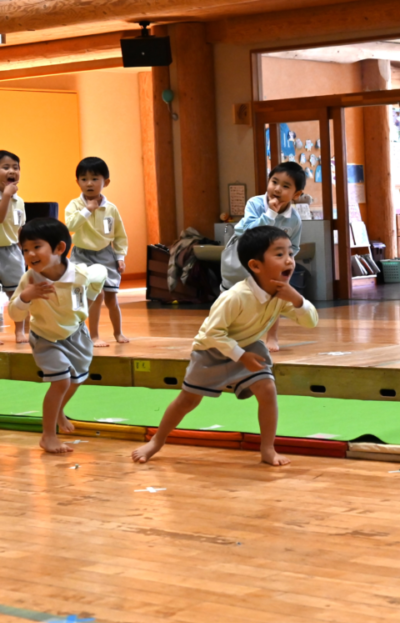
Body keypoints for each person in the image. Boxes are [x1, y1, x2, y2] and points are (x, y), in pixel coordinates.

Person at [133, 226, 318, 466]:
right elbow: (212, 334)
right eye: (279, 254)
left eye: (290, 254)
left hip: (248, 347)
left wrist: (297, 299)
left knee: (267, 390)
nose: (289, 261)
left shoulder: (282, 295)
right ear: (255, 265)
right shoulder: (235, 296)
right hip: (211, 350)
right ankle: (156, 441)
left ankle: (267, 449)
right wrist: (240, 356)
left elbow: (311, 322)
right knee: (188, 400)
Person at [8, 218, 106, 454]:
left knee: (75, 381)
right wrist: (26, 297)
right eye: (25, 250)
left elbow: (101, 272)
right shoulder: (30, 279)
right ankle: (48, 435)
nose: (30, 254)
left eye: (36, 247)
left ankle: (59, 411)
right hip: (45, 338)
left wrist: (90, 298)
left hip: (76, 334)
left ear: (59, 248)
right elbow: (13, 312)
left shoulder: (80, 273)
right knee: (61, 380)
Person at [221, 161, 305, 353]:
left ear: (296, 194)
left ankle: (271, 336)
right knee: (231, 296)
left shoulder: (294, 219)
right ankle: (226, 333)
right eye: (274, 182)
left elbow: (295, 245)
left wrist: (286, 261)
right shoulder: (256, 204)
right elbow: (245, 230)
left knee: (274, 297)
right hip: (240, 260)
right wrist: (270, 214)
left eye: (285, 186)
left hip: (269, 266)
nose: (277, 189)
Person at [65, 157, 129, 347]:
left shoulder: (111, 208)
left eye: (94, 178)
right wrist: (87, 210)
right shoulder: (75, 205)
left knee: (111, 298)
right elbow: (70, 226)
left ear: (105, 182)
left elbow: (119, 235)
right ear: (78, 182)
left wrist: (120, 257)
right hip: (81, 256)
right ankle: (92, 336)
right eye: (84, 179)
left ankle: (118, 333)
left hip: (105, 255)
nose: (89, 183)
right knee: (93, 295)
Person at [0, 150, 29, 344]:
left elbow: (20, 229)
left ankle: (20, 331)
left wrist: (26, 251)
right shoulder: (9, 197)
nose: (12, 171)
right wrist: (6, 197)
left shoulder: (19, 201)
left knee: (17, 293)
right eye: (5, 167)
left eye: (15, 167)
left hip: (11, 252)